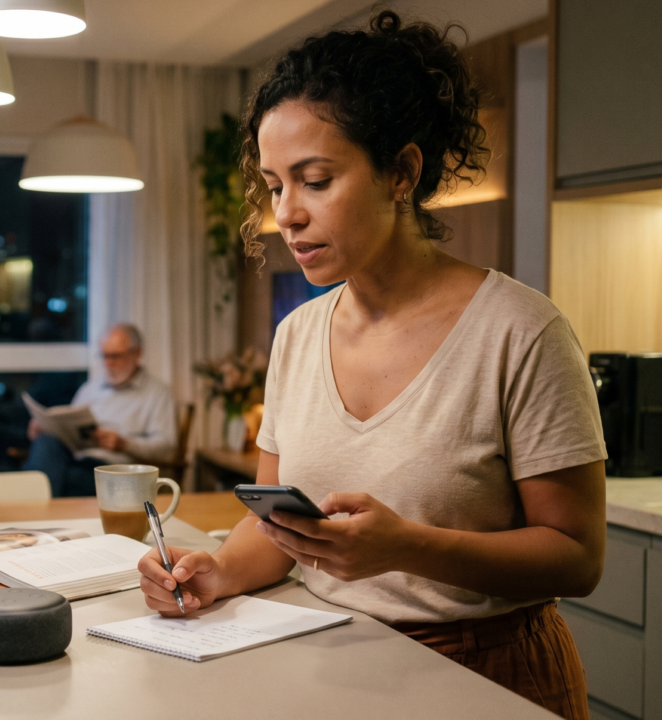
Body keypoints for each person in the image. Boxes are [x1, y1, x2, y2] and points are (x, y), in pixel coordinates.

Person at [136, 12, 605, 720]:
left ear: (401, 172)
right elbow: (273, 527)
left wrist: (408, 547)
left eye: (315, 180)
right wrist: (219, 570)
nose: (286, 214)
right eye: (274, 185)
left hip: (491, 674)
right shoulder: (297, 336)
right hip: (334, 661)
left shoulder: (521, 331)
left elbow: (577, 557)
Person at [25, 323, 177, 497]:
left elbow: (167, 448)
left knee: (46, 480)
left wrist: (124, 444)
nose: (108, 363)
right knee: (45, 443)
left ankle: (30, 504)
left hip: (116, 473)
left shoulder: (157, 393)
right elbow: (68, 430)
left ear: (137, 354)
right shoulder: (91, 388)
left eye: (115, 356)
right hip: (76, 460)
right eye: (104, 356)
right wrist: (47, 429)